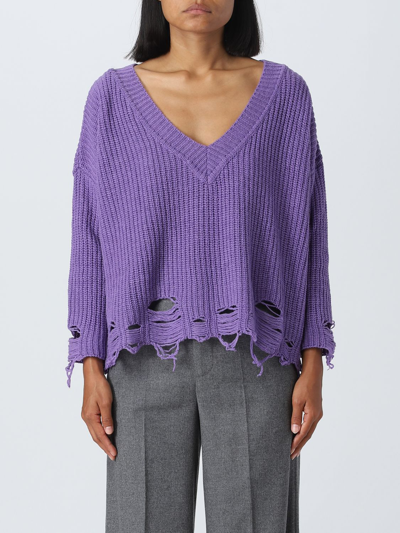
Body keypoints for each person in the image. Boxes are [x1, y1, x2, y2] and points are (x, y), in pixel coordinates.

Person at [65, 1, 337, 531]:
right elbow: (90, 237)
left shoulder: (285, 95)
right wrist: (91, 363)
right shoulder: (110, 100)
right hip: (141, 357)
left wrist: (313, 361)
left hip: (258, 356)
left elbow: (308, 231)